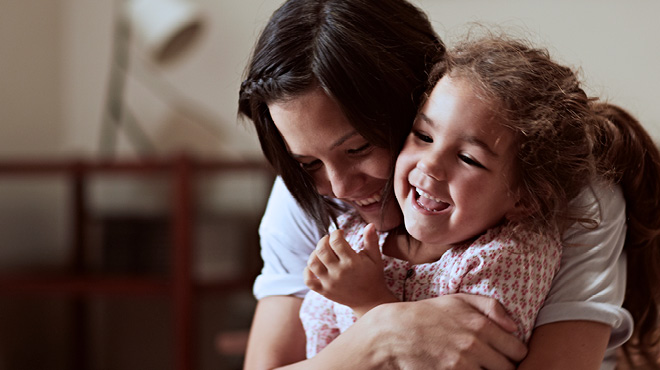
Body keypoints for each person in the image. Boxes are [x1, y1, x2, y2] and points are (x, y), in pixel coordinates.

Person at [237, 0, 653, 368]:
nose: (341, 188)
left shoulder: (573, 199)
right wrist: (382, 332)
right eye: (308, 161)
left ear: (421, 99)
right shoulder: (311, 191)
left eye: (359, 148)